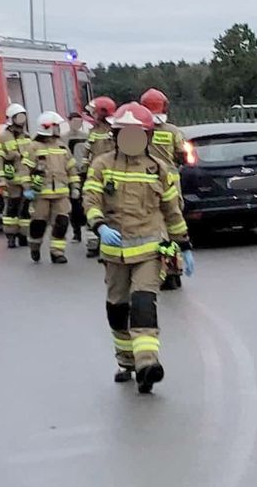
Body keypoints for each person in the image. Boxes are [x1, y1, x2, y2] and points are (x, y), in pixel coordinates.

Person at [83, 103, 194, 394]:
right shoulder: (102, 165)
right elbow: (90, 200)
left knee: (144, 304)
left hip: (149, 251)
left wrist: (183, 245)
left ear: (147, 136)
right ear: (116, 134)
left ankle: (147, 364)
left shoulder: (158, 169)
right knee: (117, 308)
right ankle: (126, 360)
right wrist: (99, 226)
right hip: (114, 253)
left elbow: (172, 211)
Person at [139, 88, 189, 290]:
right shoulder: (173, 131)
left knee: (155, 227)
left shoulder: (140, 131)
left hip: (147, 184)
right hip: (171, 184)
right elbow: (183, 155)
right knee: (174, 225)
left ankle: (159, 270)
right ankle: (173, 271)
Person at [19, 111, 80, 264]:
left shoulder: (62, 146)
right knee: (38, 224)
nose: (58, 128)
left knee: (61, 223)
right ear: (47, 127)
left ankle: (57, 252)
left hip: (61, 194)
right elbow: (25, 169)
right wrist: (27, 188)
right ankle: (34, 246)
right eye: (56, 126)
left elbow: (71, 168)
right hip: (40, 195)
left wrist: (75, 187)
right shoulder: (34, 147)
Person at [81, 97, 118, 258]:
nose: (92, 115)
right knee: (92, 206)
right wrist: (83, 170)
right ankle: (93, 244)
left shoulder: (114, 130)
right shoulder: (93, 132)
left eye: (94, 112)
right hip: (95, 175)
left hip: (112, 176)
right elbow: (86, 153)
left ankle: (112, 239)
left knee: (111, 208)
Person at [0, 103, 32, 248]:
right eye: (19, 117)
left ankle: (23, 235)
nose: (22, 120)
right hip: (12, 181)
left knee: (26, 210)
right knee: (12, 209)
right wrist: (2, 179)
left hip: (26, 181)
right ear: (11, 119)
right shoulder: (4, 137)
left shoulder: (26, 136)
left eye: (23, 117)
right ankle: (11, 236)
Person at [67, 112, 89, 244]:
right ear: (69, 122)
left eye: (79, 122)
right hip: (72, 174)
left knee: (87, 201)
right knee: (74, 203)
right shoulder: (63, 138)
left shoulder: (86, 137)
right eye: (74, 121)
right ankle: (76, 232)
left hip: (85, 173)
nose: (77, 124)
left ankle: (89, 229)